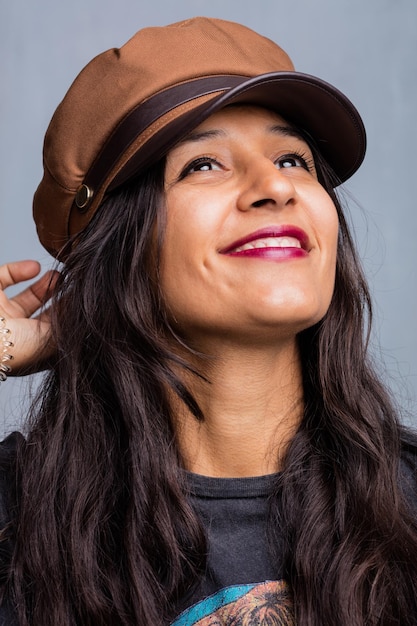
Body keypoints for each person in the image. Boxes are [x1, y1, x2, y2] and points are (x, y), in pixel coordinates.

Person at [0, 16, 416, 626]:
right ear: (123, 246)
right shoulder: (18, 518)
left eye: (294, 159)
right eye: (203, 165)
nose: (275, 185)